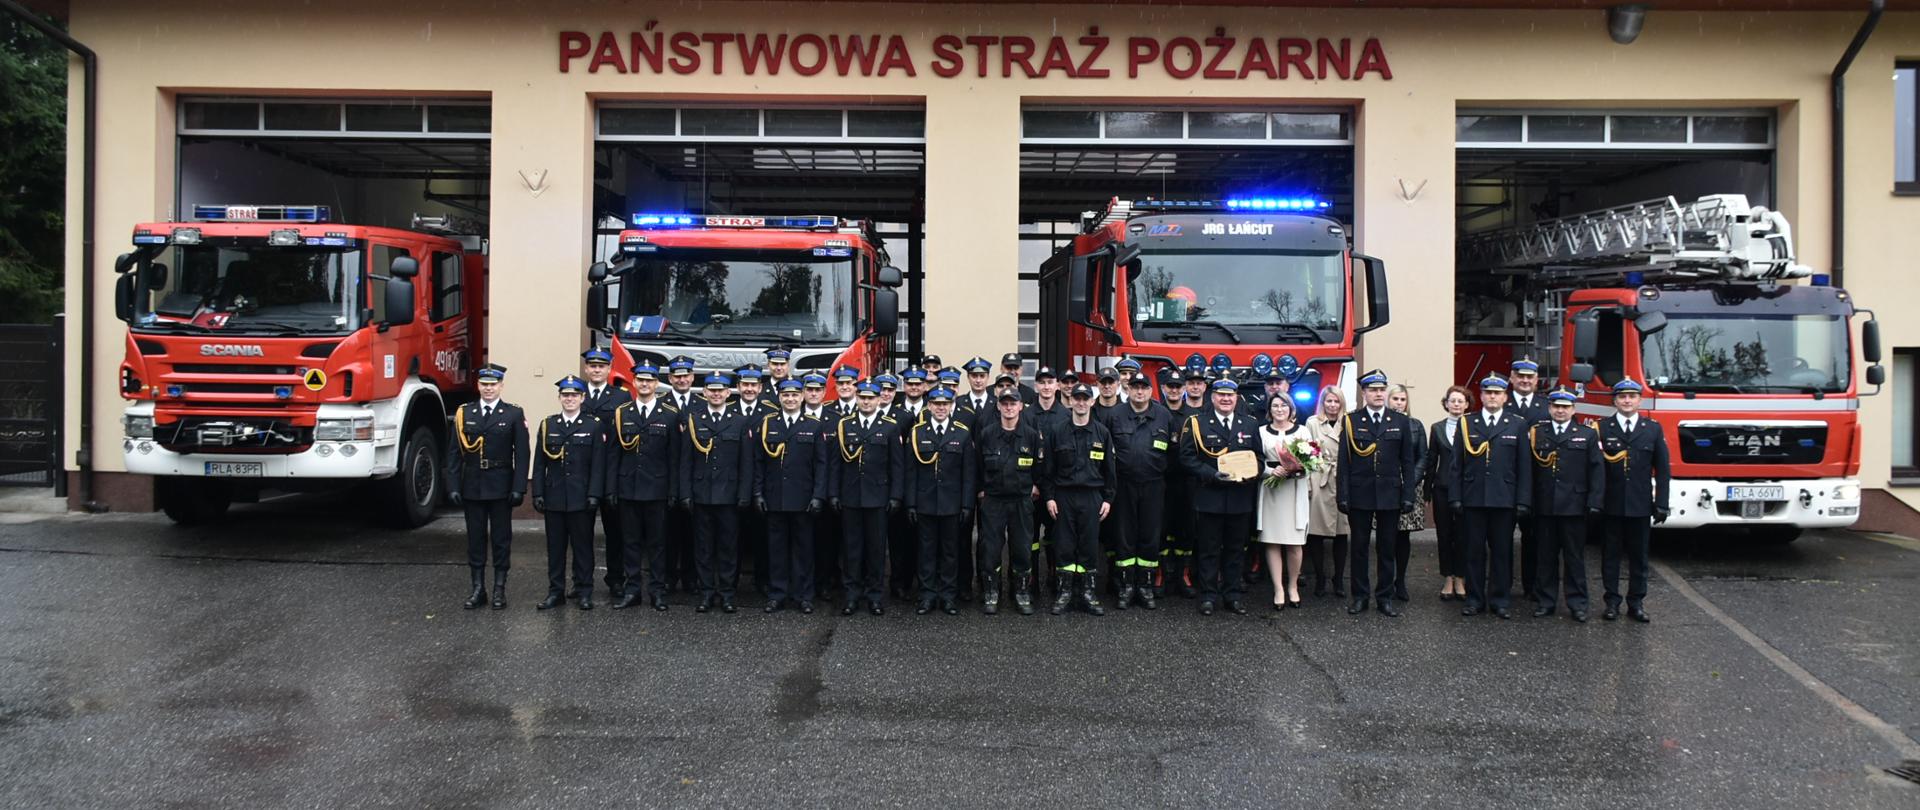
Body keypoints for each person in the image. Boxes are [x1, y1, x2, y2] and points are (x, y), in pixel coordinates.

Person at [1447, 373, 1532, 619]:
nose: (1492, 397)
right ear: (1481, 396)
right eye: (1488, 393)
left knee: (1503, 551)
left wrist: (1523, 500)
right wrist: (1455, 496)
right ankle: (1475, 599)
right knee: (1473, 551)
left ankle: (1500, 599)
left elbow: (1524, 467)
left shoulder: (1517, 424)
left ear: (1505, 396)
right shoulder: (1467, 423)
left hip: (1504, 499)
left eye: (1497, 393)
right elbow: (1456, 465)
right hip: (1473, 498)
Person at [446, 363, 529, 611]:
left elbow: (522, 454)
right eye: (484, 384)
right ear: (478, 386)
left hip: (501, 485)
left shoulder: (513, 413)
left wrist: (519, 487)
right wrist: (452, 485)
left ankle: (499, 589)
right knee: (475, 539)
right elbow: (453, 454)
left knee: (502, 539)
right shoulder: (465, 413)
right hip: (472, 485)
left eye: (493, 384)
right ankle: (478, 588)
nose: (488, 389)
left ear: (501, 386)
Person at [1177, 378, 1262, 616]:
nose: (1226, 399)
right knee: (1208, 550)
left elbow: (1258, 457)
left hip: (1239, 498)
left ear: (1237, 398)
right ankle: (1208, 596)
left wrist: (1251, 474)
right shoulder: (1197, 423)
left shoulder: (1250, 424)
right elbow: (1186, 458)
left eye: (1230, 395)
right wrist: (1211, 474)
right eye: (1221, 395)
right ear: (1212, 397)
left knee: (1236, 550)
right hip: (1210, 497)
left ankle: (1232, 596)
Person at [1337, 370, 1418, 617]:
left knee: (1386, 548)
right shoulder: (1351, 421)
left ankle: (1384, 597)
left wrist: (1408, 496)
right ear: (1364, 393)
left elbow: (1407, 463)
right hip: (1360, 494)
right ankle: (1360, 596)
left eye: (1382, 390)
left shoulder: (1400, 421)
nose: (1378, 394)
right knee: (1359, 548)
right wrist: (1343, 495)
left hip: (1389, 494)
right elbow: (1344, 463)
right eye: (1373, 390)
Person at [749, 379, 830, 614]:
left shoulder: (814, 426)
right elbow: (759, 464)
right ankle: (777, 594)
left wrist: (818, 496)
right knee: (776, 550)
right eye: (786, 395)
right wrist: (758, 492)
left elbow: (821, 465)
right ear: (780, 397)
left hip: (803, 499)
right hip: (774, 498)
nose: (791, 399)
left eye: (795, 395)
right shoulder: (768, 424)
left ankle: (804, 596)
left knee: (804, 550)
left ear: (803, 396)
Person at [677, 372, 755, 614]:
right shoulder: (694, 419)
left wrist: (744, 494)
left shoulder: (740, 421)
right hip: (701, 494)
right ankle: (707, 593)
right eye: (712, 390)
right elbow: (685, 462)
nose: (716, 394)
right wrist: (685, 493)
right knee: (703, 548)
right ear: (705, 393)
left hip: (729, 496)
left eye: (721, 390)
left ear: (728, 393)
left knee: (728, 548)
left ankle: (727, 593)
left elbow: (746, 463)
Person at [607, 362, 680, 611]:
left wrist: (673, 491)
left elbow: (674, 457)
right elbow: (613, 455)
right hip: (628, 488)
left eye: (649, 380)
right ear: (634, 383)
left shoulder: (669, 414)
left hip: (657, 490)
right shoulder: (622, 413)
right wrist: (611, 489)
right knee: (630, 543)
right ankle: (632, 590)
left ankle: (657, 591)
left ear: (656, 384)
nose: (645, 384)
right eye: (640, 380)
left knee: (658, 544)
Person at [1040, 383, 1117, 615]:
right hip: (1064, 496)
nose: (1081, 403)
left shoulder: (1102, 433)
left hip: (1092, 496)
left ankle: (1088, 593)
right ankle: (1065, 593)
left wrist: (1108, 499)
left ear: (1092, 402)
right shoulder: (1057, 431)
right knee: (1064, 544)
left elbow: (1110, 470)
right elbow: (1048, 470)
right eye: (1077, 398)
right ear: (1070, 401)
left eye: (1086, 399)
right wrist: (1049, 497)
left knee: (1089, 545)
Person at [1597, 377, 1670, 623]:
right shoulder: (1603, 428)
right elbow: (1596, 470)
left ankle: (1636, 602)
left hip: (1640, 505)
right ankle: (1612, 602)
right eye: (1622, 397)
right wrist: (1595, 502)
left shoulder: (1652, 429)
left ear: (1640, 400)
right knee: (1610, 556)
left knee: (1639, 557)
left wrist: (1661, 503)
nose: (1627, 401)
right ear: (1615, 400)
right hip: (1612, 504)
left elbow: (1662, 469)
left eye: (1632, 397)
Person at [1101, 371, 1175, 610]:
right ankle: (1125, 587)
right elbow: (1105, 453)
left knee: (1150, 537)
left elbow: (1173, 455)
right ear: (1128, 389)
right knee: (1124, 536)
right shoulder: (1115, 415)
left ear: (1151, 391)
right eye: (1135, 387)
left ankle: (1145, 587)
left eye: (1144, 387)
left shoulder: (1163, 415)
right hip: (1124, 485)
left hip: (1154, 485)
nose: (1140, 391)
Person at [532, 375, 607, 611]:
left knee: (583, 548)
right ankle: (556, 592)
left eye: (574, 395)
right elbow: (539, 463)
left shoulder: (593, 425)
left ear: (583, 398)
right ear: (559, 398)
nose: (570, 399)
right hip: (554, 497)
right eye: (566, 395)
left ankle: (585, 591)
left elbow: (598, 464)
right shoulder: (548, 425)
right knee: (555, 549)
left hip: (581, 498)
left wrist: (595, 493)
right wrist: (537, 493)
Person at [1529, 385, 1603, 622]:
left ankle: (1578, 603)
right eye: (1556, 406)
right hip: (1545, 505)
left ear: (1573, 409)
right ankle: (1546, 601)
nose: (1560, 411)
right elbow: (1530, 471)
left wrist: (1594, 501)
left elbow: (1596, 470)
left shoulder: (1587, 434)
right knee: (1545, 557)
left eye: (1565, 407)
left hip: (1574, 506)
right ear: (1549, 408)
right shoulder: (1537, 433)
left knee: (1574, 558)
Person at [830, 382, 904, 616]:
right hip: (850, 497)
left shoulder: (890, 428)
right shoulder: (845, 425)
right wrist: (833, 493)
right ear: (857, 398)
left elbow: (897, 466)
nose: (866, 402)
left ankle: (874, 596)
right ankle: (851, 595)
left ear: (879, 400)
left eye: (871, 398)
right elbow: (835, 465)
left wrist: (895, 496)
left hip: (878, 498)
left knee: (875, 550)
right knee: (852, 550)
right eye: (862, 397)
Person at [904, 387, 977, 615]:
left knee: (950, 552)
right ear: (930, 405)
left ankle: (947, 596)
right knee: (925, 551)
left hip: (951, 504)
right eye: (936, 403)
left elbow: (968, 474)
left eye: (945, 403)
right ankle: (926, 595)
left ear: (951, 405)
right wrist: (911, 504)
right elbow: (910, 472)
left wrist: (967, 505)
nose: (941, 407)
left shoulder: (962, 433)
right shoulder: (917, 433)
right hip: (925, 503)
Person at [975, 388, 1044, 615]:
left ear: (1020, 406)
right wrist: (981, 490)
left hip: (1021, 501)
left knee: (1022, 548)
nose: (1008, 407)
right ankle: (991, 592)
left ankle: (1022, 593)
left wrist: (1035, 485)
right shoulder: (987, 434)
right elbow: (977, 466)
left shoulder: (1031, 435)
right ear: (998, 406)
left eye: (1012, 403)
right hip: (994, 501)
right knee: (991, 548)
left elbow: (1039, 467)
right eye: (1004, 403)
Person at [579, 348, 631, 601]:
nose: (597, 370)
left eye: (601, 366)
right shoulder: (576, 395)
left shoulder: (620, 398)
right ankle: (581, 581)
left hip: (612, 473)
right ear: (586, 369)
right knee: (581, 534)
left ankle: (616, 580)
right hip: (582, 474)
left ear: (610, 369)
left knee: (615, 532)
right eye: (592, 366)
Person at [1255, 394, 1312, 610]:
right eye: (1275, 405)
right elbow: (1255, 459)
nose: (1280, 409)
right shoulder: (1260, 432)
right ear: (1269, 409)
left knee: (1294, 543)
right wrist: (1270, 470)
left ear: (1291, 408)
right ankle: (1278, 588)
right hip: (1271, 489)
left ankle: (1293, 586)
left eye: (1284, 405)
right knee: (1272, 541)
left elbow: (1313, 458)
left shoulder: (1303, 431)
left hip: (1294, 491)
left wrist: (1300, 468)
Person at [1506, 357, 1548, 600]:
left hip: (1537, 484)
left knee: (1534, 540)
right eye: (1519, 376)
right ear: (1511, 378)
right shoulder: (1502, 404)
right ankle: (1504, 586)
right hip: (1507, 483)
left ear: (1535, 380)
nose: (1524, 380)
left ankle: (1532, 587)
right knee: (1502, 540)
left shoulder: (1546, 407)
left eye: (1529, 377)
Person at [1428, 386, 1473, 601]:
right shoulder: (1436, 428)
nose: (1456, 404)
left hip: (1466, 489)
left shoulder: (1473, 426)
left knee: (1463, 535)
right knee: (1444, 534)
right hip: (1442, 488)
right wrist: (1427, 490)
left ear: (1466, 404)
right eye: (1452, 401)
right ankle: (1447, 577)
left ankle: (1461, 577)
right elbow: (1431, 460)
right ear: (1446, 403)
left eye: (1460, 401)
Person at [1304, 386, 1350, 598]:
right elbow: (1308, 452)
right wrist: (1309, 484)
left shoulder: (1349, 422)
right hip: (1319, 476)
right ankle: (1320, 577)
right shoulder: (1313, 422)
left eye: (1336, 402)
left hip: (1342, 479)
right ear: (1322, 403)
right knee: (1316, 532)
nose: (1332, 406)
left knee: (1342, 533)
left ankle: (1338, 579)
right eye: (1328, 401)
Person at [1388, 383, 1428, 604]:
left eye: (1403, 399)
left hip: (1409, 487)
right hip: (1385, 487)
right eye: (1396, 399)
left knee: (1403, 537)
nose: (1399, 403)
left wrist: (1411, 480)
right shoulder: (1382, 423)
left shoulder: (1415, 425)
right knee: (1387, 535)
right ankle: (1386, 579)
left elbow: (1423, 456)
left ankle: (1400, 580)